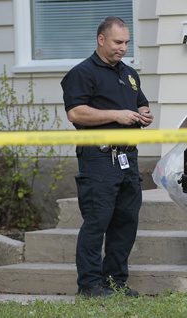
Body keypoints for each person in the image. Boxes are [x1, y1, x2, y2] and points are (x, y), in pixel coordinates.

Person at [61, 16, 153, 297]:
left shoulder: (128, 74)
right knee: (97, 222)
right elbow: (76, 113)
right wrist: (116, 115)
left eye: (126, 42)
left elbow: (140, 102)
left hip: (128, 159)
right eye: (117, 42)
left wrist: (145, 112)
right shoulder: (82, 73)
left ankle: (115, 282)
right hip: (99, 159)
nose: (123, 48)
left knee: (126, 222)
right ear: (101, 40)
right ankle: (89, 285)